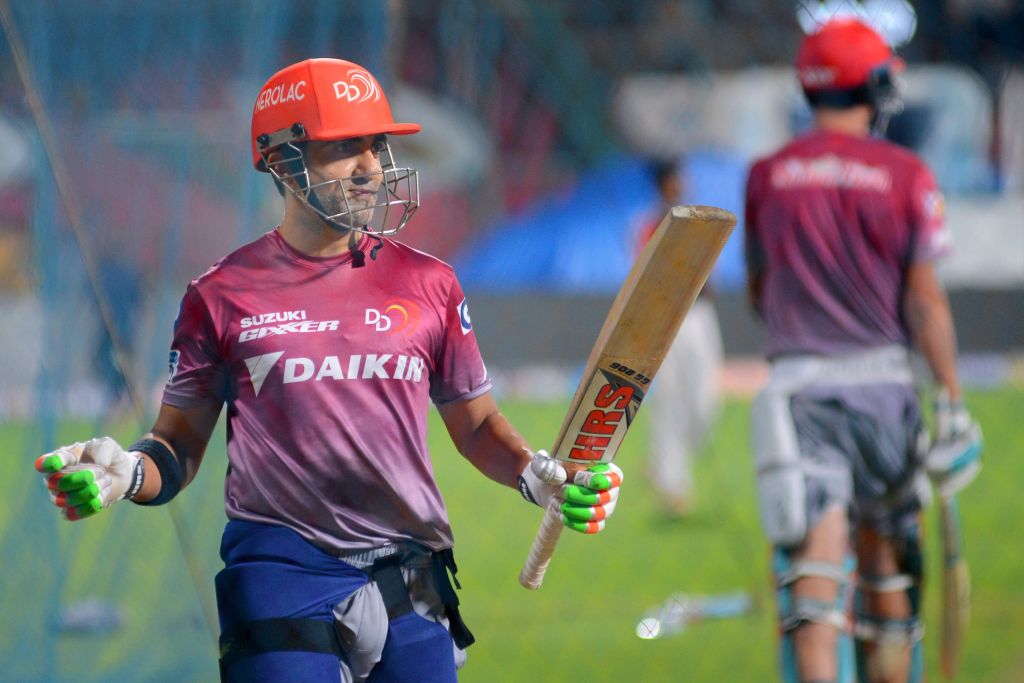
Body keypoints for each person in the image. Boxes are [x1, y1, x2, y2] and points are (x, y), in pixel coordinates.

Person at [34, 58, 624, 683]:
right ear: (283, 160)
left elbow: (476, 425)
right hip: (280, 569)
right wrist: (129, 472)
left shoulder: (431, 282)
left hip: (411, 573)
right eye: (346, 148)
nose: (373, 167)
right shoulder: (220, 294)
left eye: (378, 144)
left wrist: (536, 475)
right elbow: (177, 445)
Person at [744, 20, 982, 683]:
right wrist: (953, 401)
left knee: (814, 586)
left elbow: (762, 291)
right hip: (885, 393)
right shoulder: (905, 173)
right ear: (875, 86)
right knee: (886, 579)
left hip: (802, 400)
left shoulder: (768, 174)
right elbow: (925, 300)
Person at [636, 159, 723, 516]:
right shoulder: (651, 225)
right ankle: (673, 482)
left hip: (700, 314)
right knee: (670, 401)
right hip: (668, 318)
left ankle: (662, 463)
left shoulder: (699, 219)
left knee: (704, 400)